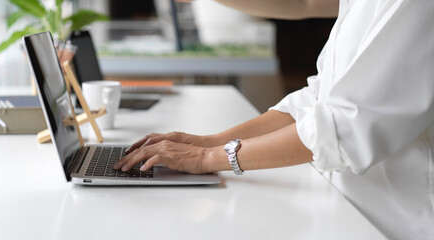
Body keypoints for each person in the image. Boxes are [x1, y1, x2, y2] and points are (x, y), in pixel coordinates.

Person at [113, 0, 434, 239]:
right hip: (348, 213)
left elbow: (343, 127)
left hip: (394, 225)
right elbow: (316, 100)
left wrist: (207, 158)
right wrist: (208, 142)